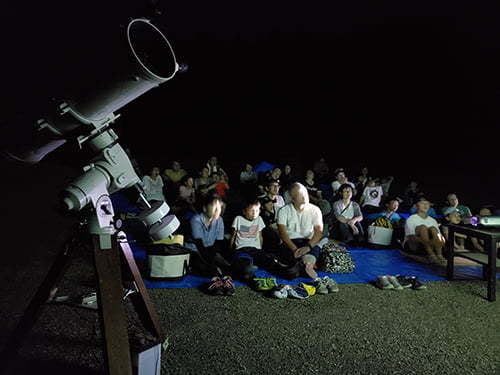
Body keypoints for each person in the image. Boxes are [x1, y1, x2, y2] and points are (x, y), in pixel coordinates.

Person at [277, 183, 336, 290]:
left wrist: (308, 247)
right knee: (292, 270)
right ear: (292, 198)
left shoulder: (315, 210)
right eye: (300, 194)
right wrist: (295, 249)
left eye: (305, 192)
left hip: (309, 242)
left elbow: (318, 233)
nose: (305, 196)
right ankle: (311, 273)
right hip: (290, 243)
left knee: (307, 263)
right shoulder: (284, 211)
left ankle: (318, 279)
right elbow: (283, 234)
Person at [188, 194, 232, 278]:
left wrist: (218, 258)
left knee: (227, 267)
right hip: (196, 251)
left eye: (219, 206)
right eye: (214, 206)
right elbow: (199, 245)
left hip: (209, 250)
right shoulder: (196, 220)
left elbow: (218, 242)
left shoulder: (219, 220)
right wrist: (214, 261)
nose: (217, 209)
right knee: (209, 270)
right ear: (204, 208)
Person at [403, 198, 446, 266]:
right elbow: (411, 237)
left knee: (433, 229)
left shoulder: (433, 220)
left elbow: (439, 237)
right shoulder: (411, 219)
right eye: (422, 203)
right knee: (423, 227)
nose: (425, 205)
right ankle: (431, 255)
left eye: (427, 204)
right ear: (417, 206)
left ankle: (439, 255)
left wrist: (439, 241)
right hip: (414, 245)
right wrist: (427, 242)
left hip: (430, 244)